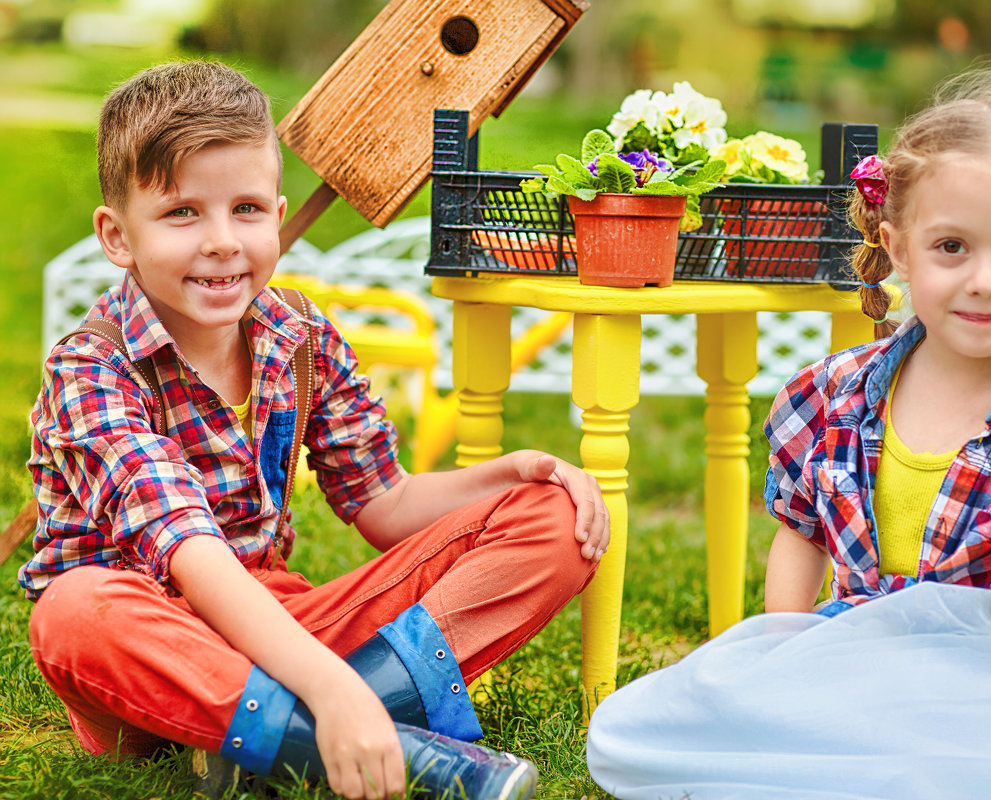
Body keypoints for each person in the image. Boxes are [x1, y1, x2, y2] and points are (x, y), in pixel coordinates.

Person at [586, 62, 991, 799]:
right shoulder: (833, 395)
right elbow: (803, 533)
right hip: (857, 658)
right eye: (951, 248)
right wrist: (784, 656)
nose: (985, 280)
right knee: (632, 739)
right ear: (898, 246)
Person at [21, 60, 609, 800]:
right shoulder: (92, 367)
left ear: (277, 210)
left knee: (554, 519)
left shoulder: (299, 336)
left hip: (282, 620)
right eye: (181, 213)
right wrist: (333, 687)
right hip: (155, 647)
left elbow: (382, 501)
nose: (222, 241)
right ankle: (364, 736)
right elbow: (190, 555)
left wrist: (509, 474)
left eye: (246, 209)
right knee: (74, 611)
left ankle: (268, 741)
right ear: (118, 236)